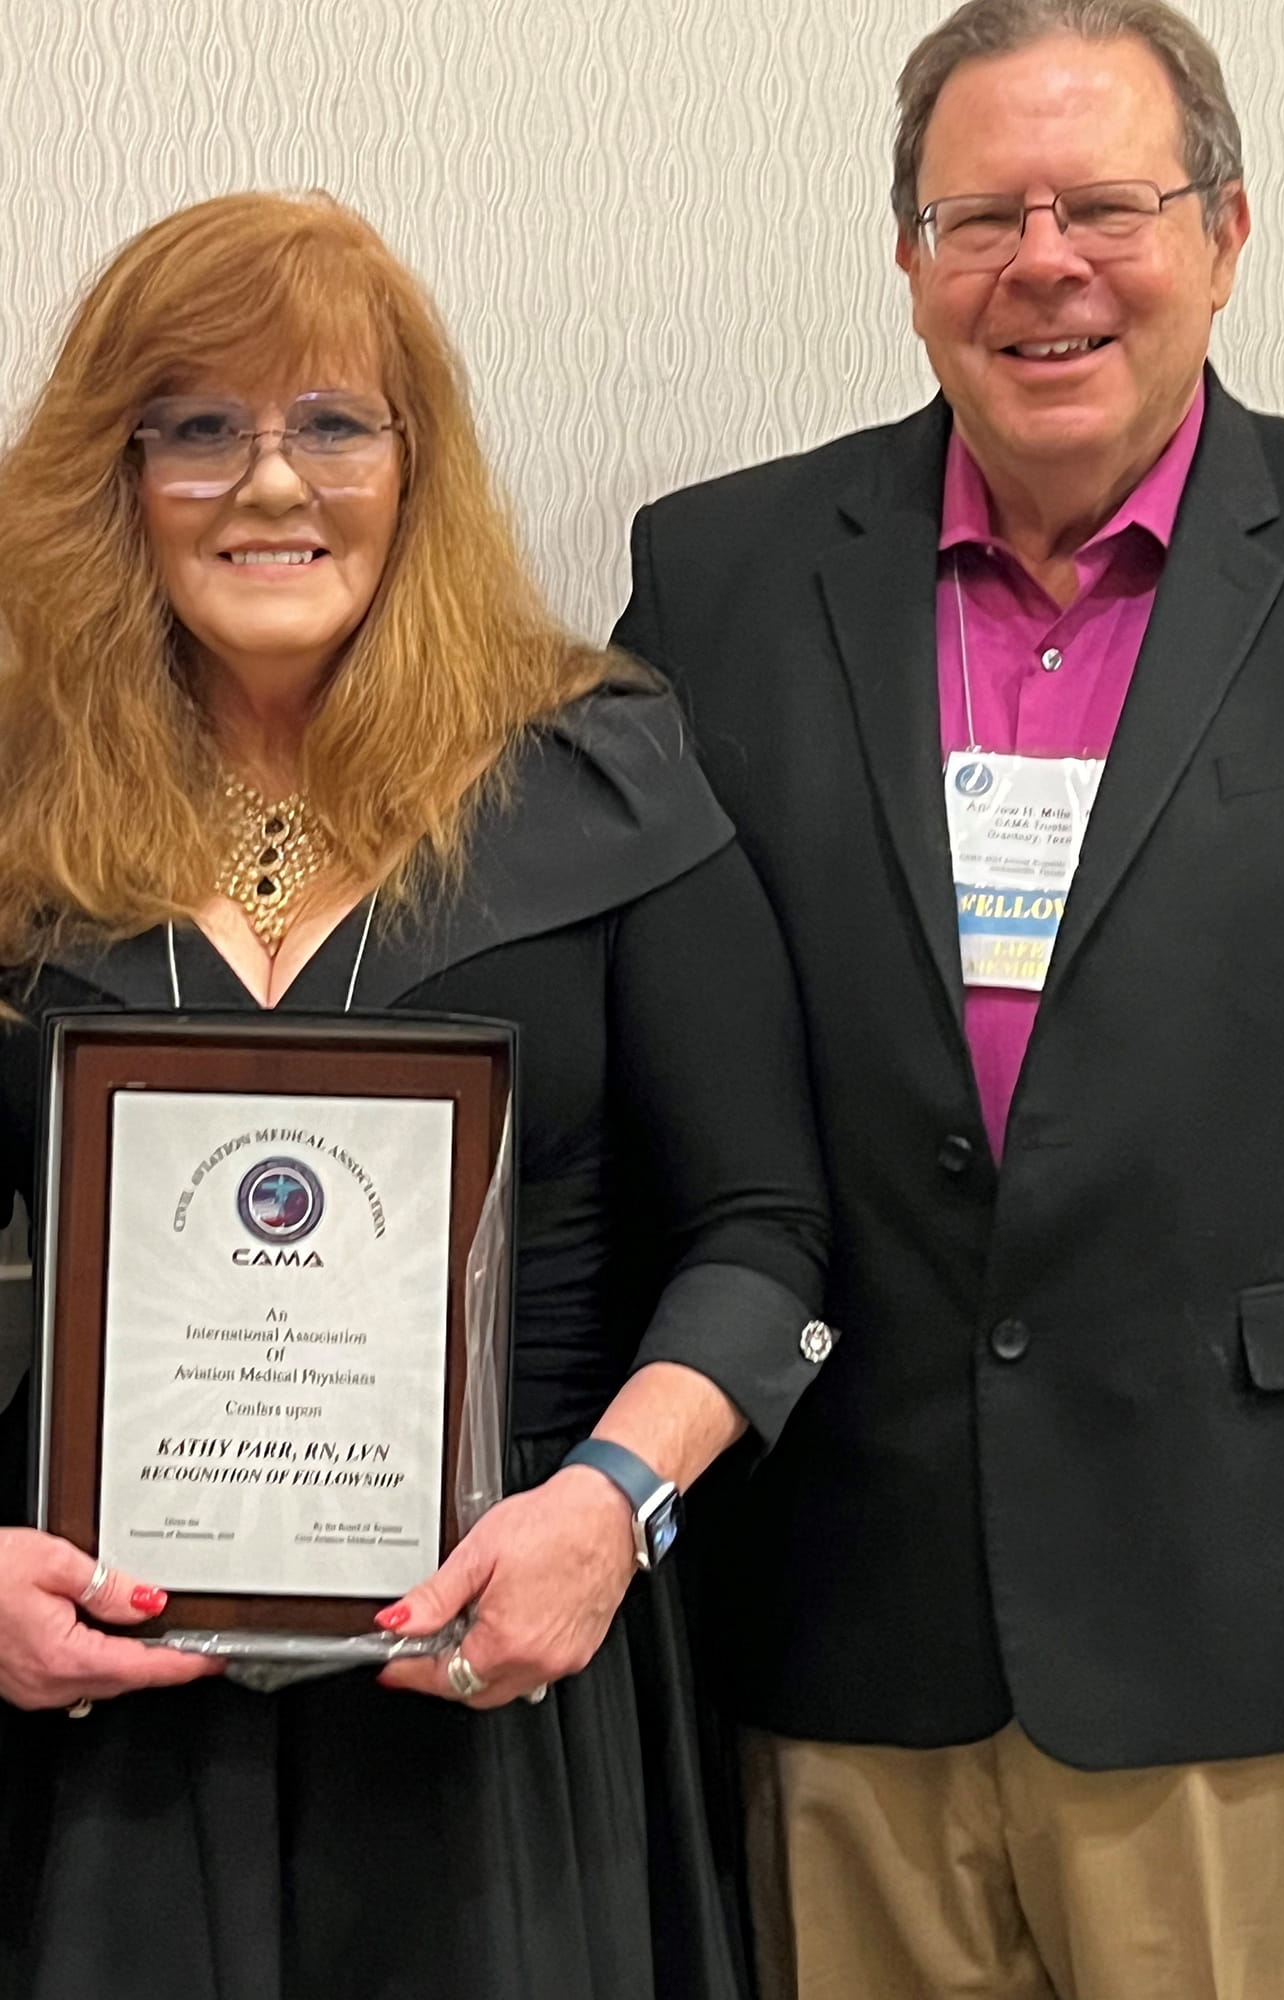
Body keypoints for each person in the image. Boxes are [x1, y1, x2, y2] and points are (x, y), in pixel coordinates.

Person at [612, 2, 1284, 1994]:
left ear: (1227, 229)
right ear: (909, 257)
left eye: (1104, 203)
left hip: (1274, 1650)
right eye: (979, 213)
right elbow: (653, 1075)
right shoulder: (724, 576)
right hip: (843, 1632)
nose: (1045, 262)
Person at [0, 190, 829, 2000]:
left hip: (505, 1672)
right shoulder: (14, 812)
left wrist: (614, 1504)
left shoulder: (602, 776)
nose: (270, 484)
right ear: (112, 474)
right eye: (197, 426)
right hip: (95, 1711)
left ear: (415, 464)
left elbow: (766, 1238)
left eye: (331, 424)